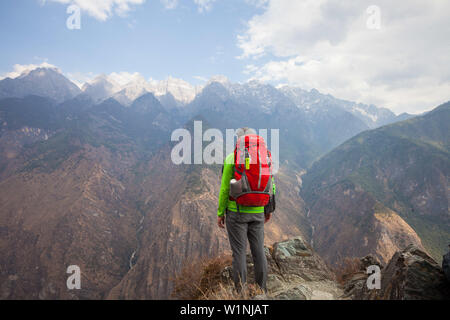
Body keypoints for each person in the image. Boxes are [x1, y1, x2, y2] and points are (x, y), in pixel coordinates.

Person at [217, 127, 276, 293]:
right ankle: (261, 290)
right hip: (258, 211)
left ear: (239, 141)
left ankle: (240, 293)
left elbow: (224, 189)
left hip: (237, 212)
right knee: (259, 252)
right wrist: (267, 209)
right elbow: (270, 184)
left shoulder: (232, 158)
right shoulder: (265, 157)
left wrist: (221, 212)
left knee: (239, 253)